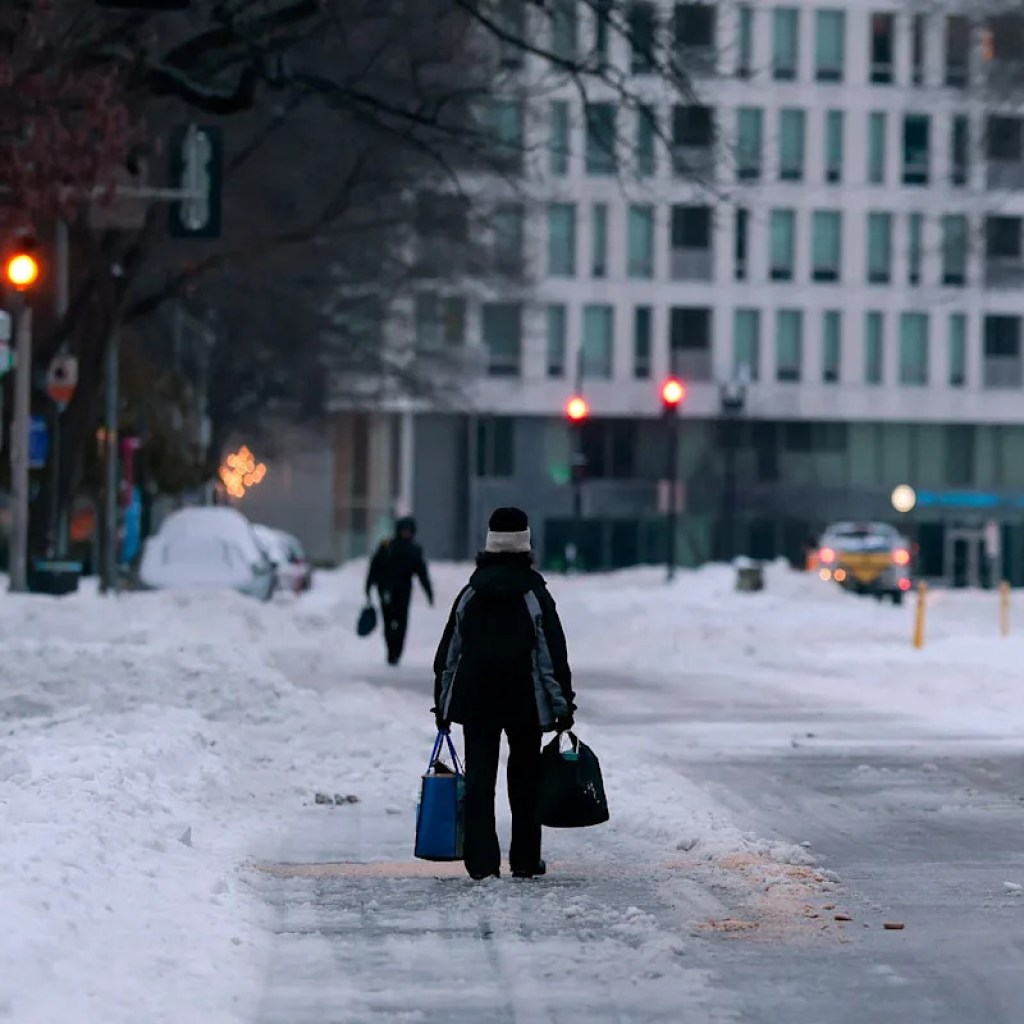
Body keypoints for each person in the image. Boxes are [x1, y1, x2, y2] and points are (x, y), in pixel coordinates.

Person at [432, 507, 575, 881]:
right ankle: (525, 860)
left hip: (476, 700)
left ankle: (482, 862)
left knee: (480, 779)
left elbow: (449, 653)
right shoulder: (534, 594)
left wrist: (443, 704)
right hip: (524, 701)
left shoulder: (471, 593)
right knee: (525, 779)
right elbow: (552, 654)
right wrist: (563, 706)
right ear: (526, 543)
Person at [365, 516, 434, 665]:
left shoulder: (414, 550)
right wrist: (369, 586)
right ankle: (391, 651)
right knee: (388, 622)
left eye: (408, 531)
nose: (406, 533)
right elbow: (374, 567)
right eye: (404, 530)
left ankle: (397, 652)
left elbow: (422, 573)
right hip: (386, 590)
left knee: (401, 623)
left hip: (404, 592)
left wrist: (429, 592)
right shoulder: (387, 546)